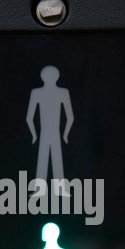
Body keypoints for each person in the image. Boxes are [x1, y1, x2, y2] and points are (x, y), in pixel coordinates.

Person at [26, 66, 74, 196]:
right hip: (55, 133)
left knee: (43, 159)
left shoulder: (37, 93)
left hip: (44, 133)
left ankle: (41, 190)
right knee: (56, 159)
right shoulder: (62, 92)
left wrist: (34, 135)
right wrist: (65, 134)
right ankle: (60, 190)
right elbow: (70, 117)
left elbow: (29, 118)